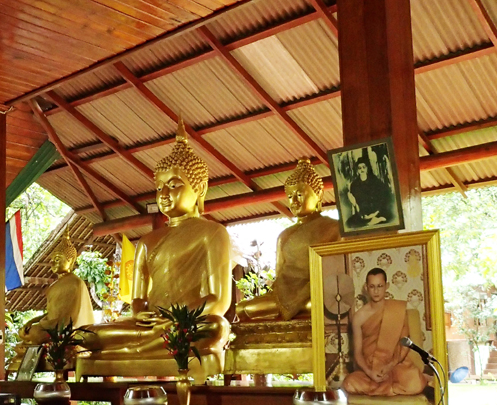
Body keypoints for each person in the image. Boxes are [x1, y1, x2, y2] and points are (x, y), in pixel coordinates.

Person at [79, 119, 231, 361]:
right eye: (159, 188)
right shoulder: (147, 241)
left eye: (174, 185)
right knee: (86, 335)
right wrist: (139, 313)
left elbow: (218, 300)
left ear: (200, 189)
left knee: (216, 327)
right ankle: (145, 347)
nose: (164, 194)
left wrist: (175, 318)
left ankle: (134, 350)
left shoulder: (212, 233)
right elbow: (138, 299)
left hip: (185, 323)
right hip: (150, 325)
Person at [236, 159, 340, 321]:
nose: (294, 201)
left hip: (316, 294)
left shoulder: (333, 228)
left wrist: (313, 290)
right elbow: (279, 278)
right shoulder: (284, 235)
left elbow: (339, 270)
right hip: (284, 296)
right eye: (290, 196)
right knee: (242, 308)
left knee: (319, 304)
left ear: (318, 194)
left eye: (299, 194)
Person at [342, 268, 430, 397]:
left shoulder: (397, 309)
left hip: (395, 366)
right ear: (366, 287)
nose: (376, 291)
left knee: (414, 382)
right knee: (349, 383)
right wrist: (370, 372)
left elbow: (405, 345)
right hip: (371, 369)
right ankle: (391, 389)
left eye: (380, 286)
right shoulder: (359, 317)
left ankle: (382, 389)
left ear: (386, 286)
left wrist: (390, 365)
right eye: (372, 286)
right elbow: (358, 353)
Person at [19, 231, 94, 345]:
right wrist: (32, 321)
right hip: (52, 326)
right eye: (52, 259)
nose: (53, 263)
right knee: (25, 331)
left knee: (35, 333)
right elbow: (52, 315)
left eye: (58, 259)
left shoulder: (75, 283)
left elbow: (68, 319)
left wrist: (42, 326)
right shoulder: (56, 284)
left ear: (70, 260)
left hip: (67, 330)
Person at [346, 159, 392, 228]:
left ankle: (375, 220)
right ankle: (369, 222)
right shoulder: (354, 184)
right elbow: (355, 203)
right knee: (350, 223)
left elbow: (383, 195)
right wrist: (360, 212)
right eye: (359, 168)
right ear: (357, 170)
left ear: (367, 168)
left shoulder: (375, 181)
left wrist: (376, 212)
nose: (362, 169)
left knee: (388, 218)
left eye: (364, 167)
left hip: (377, 211)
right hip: (362, 214)